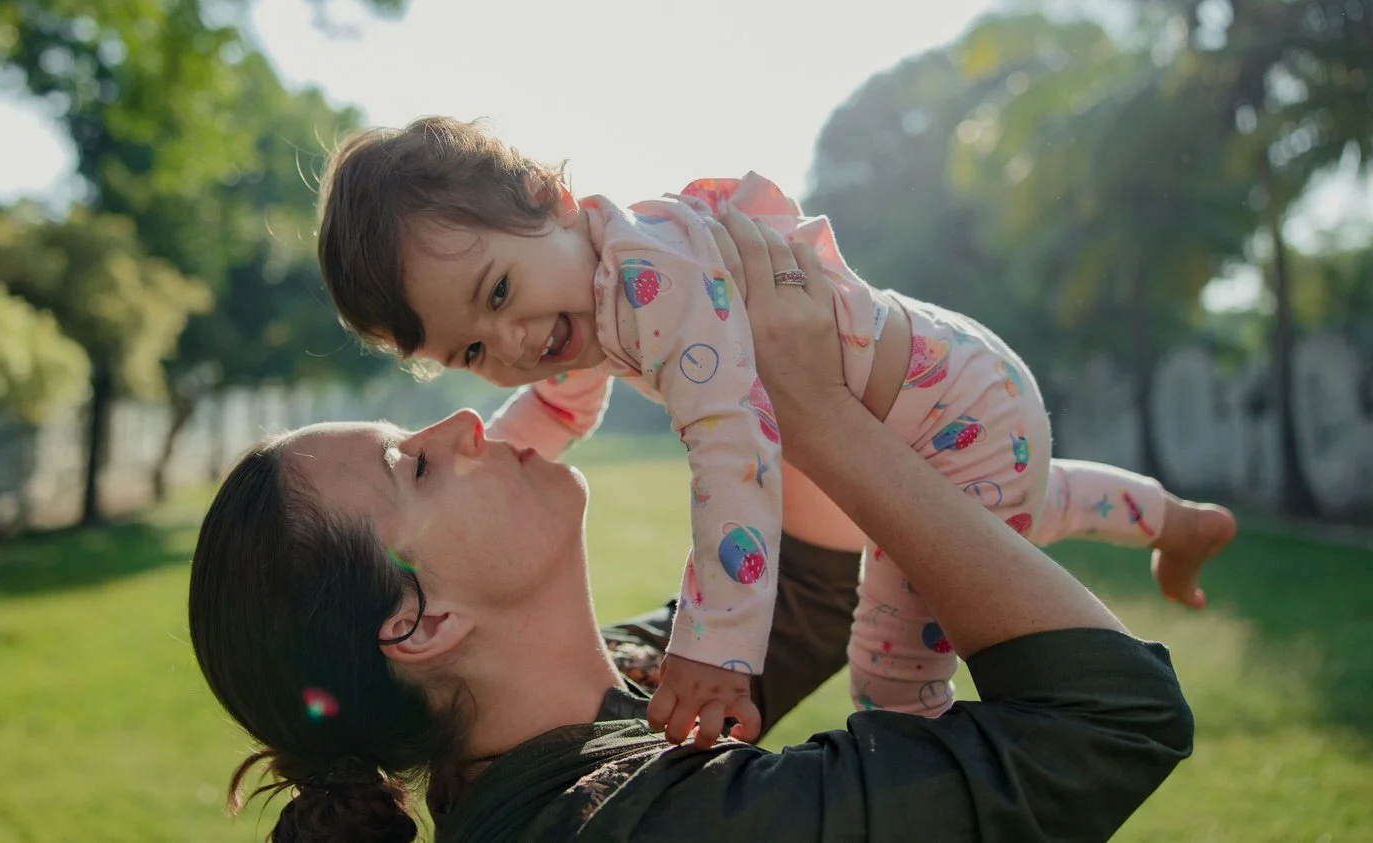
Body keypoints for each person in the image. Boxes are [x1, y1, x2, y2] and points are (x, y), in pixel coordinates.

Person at [187, 210, 1195, 842]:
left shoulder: (603, 694)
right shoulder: (623, 821)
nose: (463, 418)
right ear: (419, 621)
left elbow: (805, 587)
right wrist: (818, 416)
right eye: (409, 463)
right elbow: (1107, 725)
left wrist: (756, 346)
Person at [313, 115, 1235, 734]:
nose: (514, 342)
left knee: (890, 677)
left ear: (552, 203)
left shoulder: (650, 281)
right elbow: (558, 404)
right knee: (1028, 507)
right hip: (963, 404)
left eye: (500, 293)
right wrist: (491, 460)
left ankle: (934, 800)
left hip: (948, 414)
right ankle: (1176, 521)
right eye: (474, 352)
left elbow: (732, 451)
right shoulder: (596, 286)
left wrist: (715, 650)